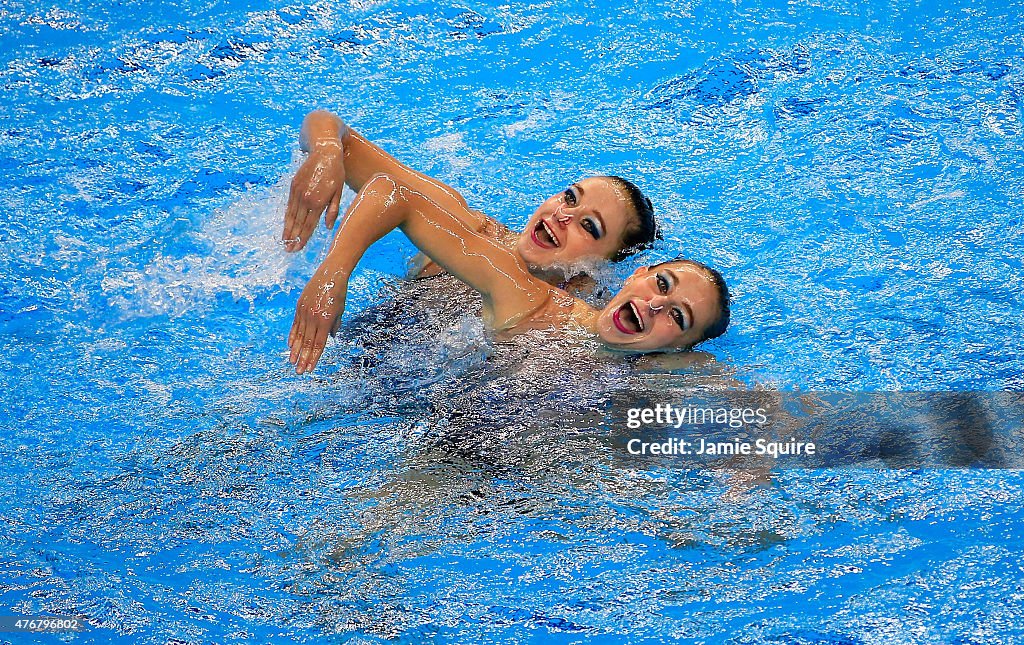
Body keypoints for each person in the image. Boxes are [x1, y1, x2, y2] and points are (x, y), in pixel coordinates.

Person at [287, 172, 730, 374]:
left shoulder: (665, 365)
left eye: (678, 316)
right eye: (661, 285)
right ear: (637, 274)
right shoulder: (527, 296)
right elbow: (392, 192)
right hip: (365, 374)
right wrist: (332, 276)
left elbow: (766, 407)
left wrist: (752, 464)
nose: (655, 305)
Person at [281, 111, 658, 284]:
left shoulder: (577, 317)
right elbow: (330, 128)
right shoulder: (465, 226)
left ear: (605, 263)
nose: (563, 215)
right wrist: (327, 151)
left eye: (588, 226)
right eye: (570, 198)